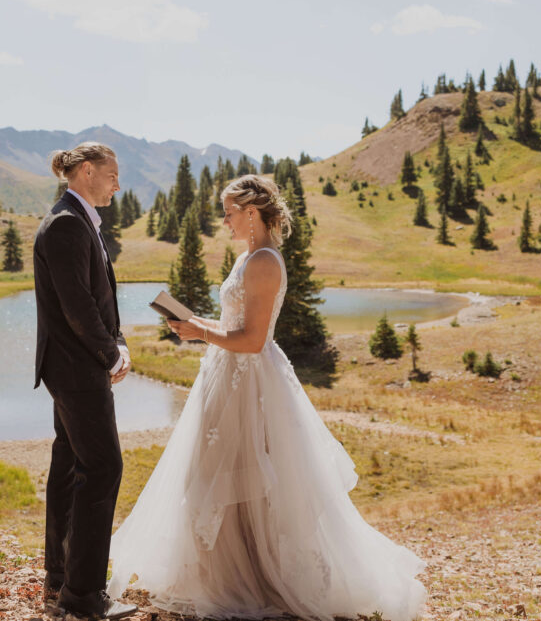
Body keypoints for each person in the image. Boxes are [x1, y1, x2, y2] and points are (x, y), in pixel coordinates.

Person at [106, 174, 427, 620]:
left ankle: (256, 577)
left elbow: (254, 340)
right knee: (217, 473)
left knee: (248, 479)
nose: (225, 221)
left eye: (230, 213)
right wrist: (196, 321)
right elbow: (234, 322)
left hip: (250, 384)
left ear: (252, 213)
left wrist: (201, 333)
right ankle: (225, 573)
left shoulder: (264, 263)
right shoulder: (249, 258)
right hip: (225, 376)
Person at [33, 142, 138, 621]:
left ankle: (61, 577)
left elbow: (96, 300)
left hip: (73, 368)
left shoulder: (76, 221)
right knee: (102, 469)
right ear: (88, 172)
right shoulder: (67, 225)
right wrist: (110, 354)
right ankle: (83, 596)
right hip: (77, 371)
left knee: (72, 466)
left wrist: (114, 343)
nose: (118, 183)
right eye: (113, 175)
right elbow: (78, 309)